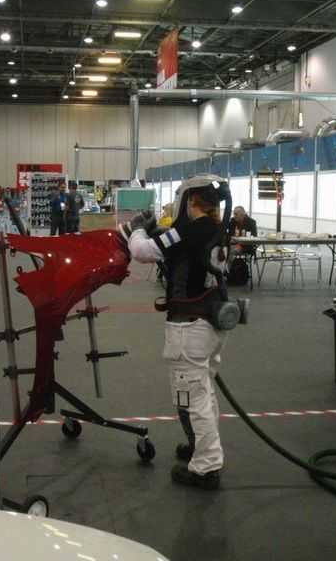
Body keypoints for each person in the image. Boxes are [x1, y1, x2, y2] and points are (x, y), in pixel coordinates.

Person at [124, 180, 227, 490]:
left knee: (193, 397)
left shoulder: (190, 231)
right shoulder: (217, 229)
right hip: (211, 323)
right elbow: (180, 251)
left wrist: (137, 230)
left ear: (191, 200)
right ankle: (200, 446)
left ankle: (206, 466)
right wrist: (155, 232)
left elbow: (142, 251)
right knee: (203, 392)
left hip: (189, 326)